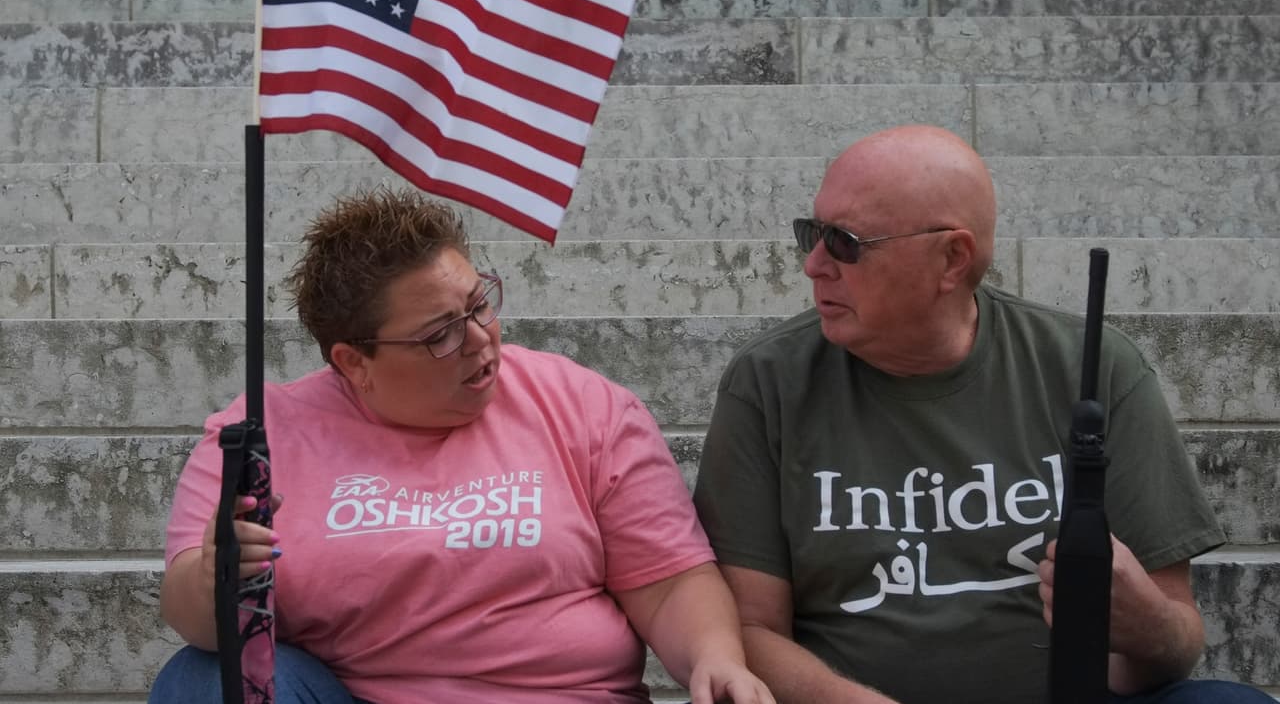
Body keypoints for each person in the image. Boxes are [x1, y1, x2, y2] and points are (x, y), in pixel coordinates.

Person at [692, 125, 1270, 704]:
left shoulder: (1089, 369)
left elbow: (1177, 637)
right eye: (811, 234)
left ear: (952, 258)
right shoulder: (769, 383)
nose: (814, 265)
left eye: (844, 242)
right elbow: (750, 631)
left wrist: (1149, 629)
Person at [150, 187, 774, 704]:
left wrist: (715, 659)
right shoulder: (262, 433)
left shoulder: (582, 405)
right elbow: (196, 616)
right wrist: (217, 575)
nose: (480, 340)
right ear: (354, 361)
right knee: (202, 680)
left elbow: (667, 583)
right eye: (440, 334)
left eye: (479, 305)